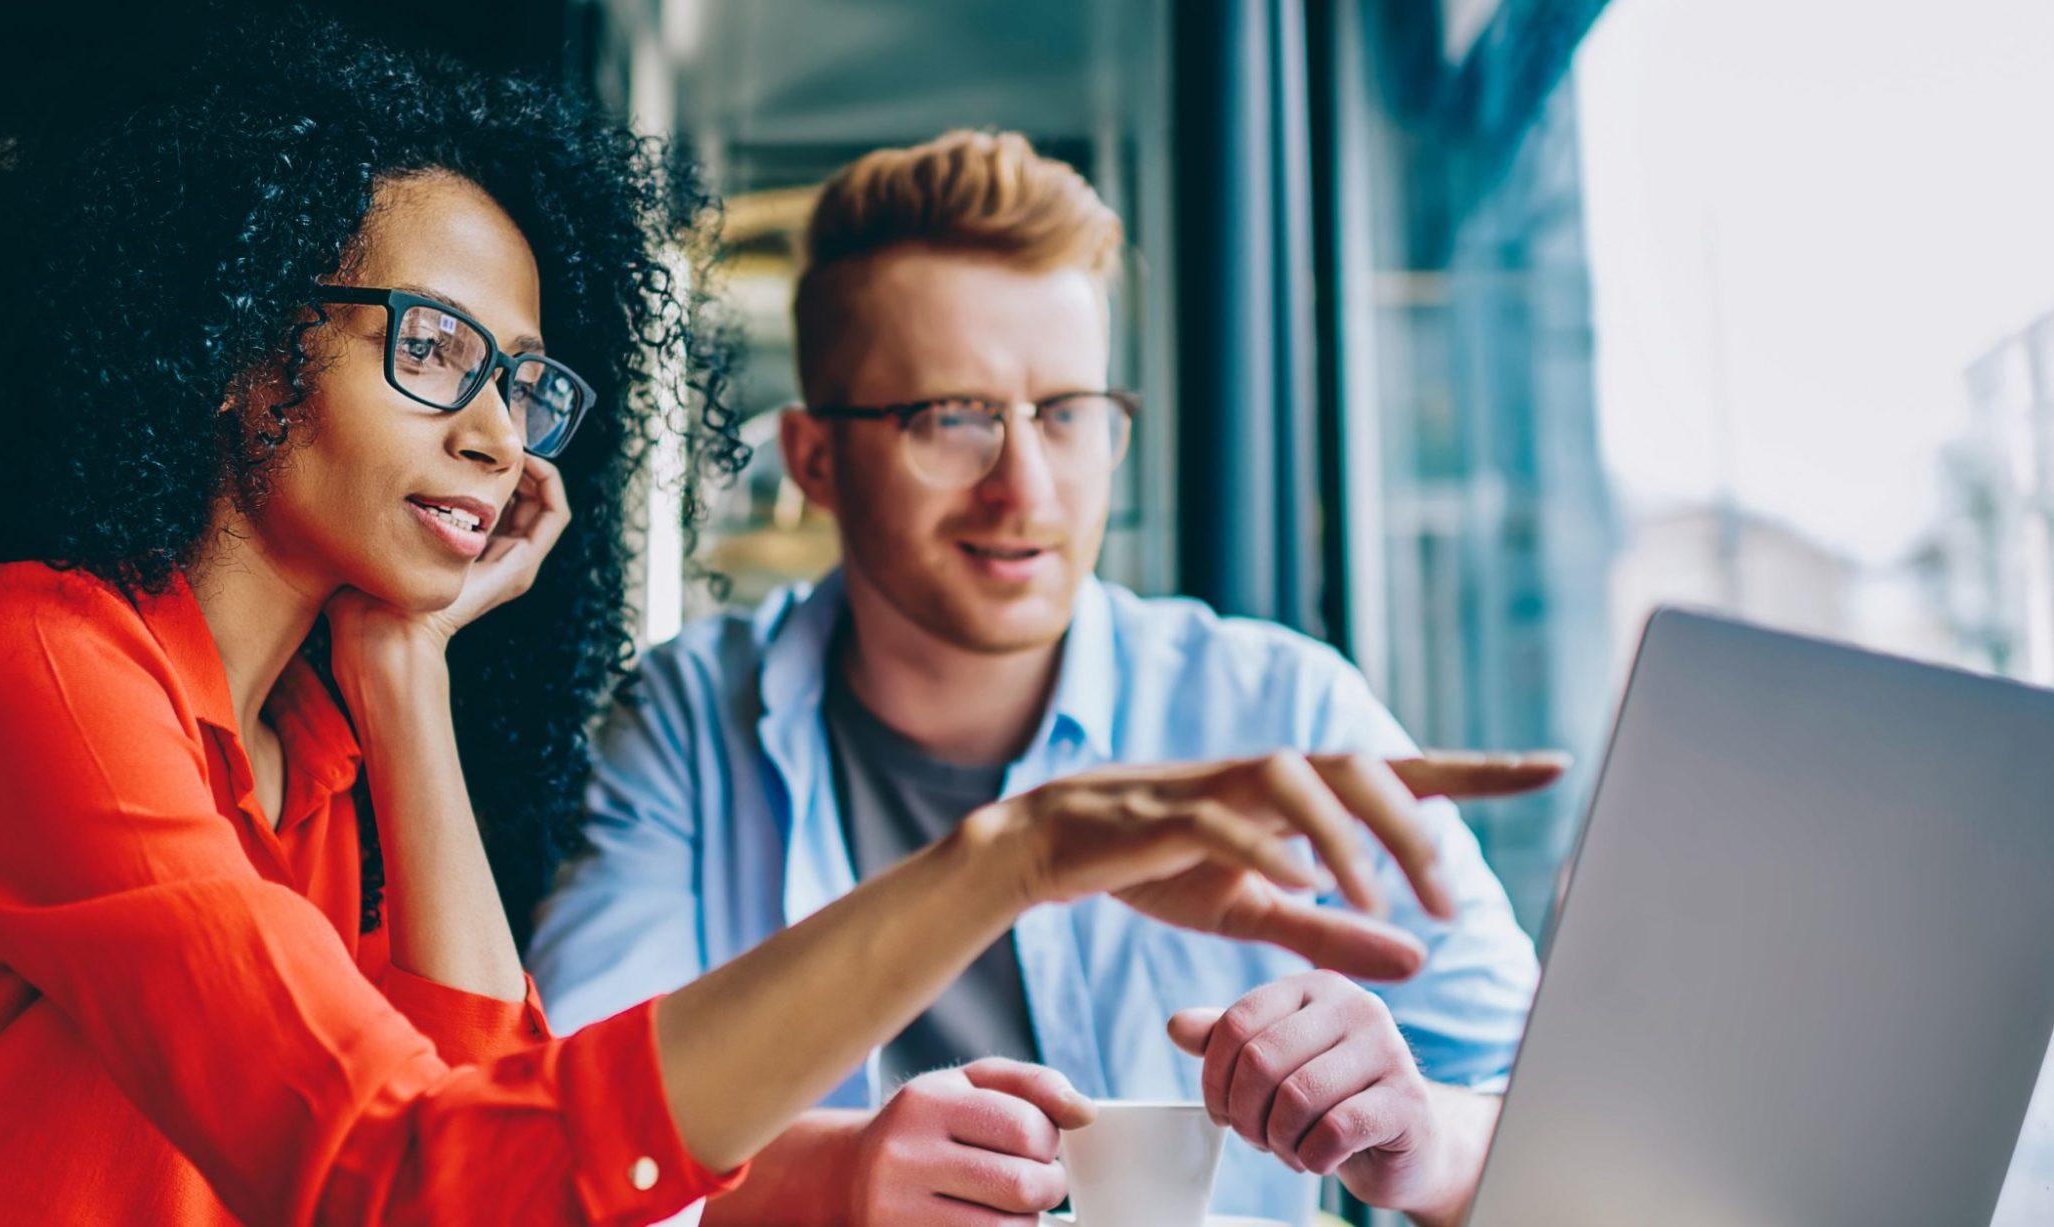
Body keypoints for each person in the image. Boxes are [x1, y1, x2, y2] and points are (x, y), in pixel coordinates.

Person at [0, 18, 1557, 1227]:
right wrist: (1016, 858)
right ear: (236, 356)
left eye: (529, 383)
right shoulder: (44, 668)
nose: (498, 427)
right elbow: (414, 1175)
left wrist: (406, 677)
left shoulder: (313, 744)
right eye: (434, 352)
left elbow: (474, 1122)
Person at [527, 130, 1551, 1227]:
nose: (1025, 490)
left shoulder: (1280, 709)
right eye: (951, 420)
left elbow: (1553, 1119)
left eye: (1066, 415)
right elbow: (560, 1143)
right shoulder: (691, 719)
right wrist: (829, 1178)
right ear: (815, 460)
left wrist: (1421, 1138)